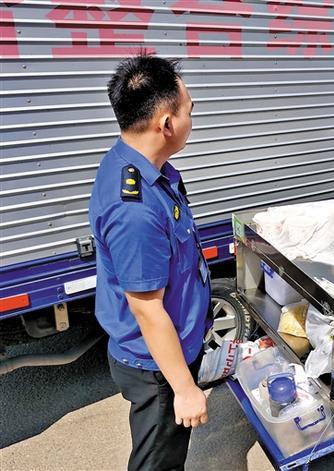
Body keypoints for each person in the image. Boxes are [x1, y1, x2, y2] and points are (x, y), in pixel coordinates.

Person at [88, 53, 210, 470]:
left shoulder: (142, 166)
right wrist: (184, 388)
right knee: (158, 462)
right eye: (189, 108)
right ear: (167, 124)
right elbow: (146, 307)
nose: (192, 116)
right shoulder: (135, 209)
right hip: (156, 367)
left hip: (162, 353)